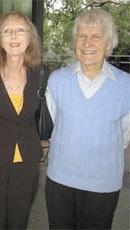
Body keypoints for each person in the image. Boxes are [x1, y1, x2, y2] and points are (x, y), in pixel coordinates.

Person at [45, 9, 130, 229]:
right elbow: (58, 123)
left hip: (103, 183)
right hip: (60, 180)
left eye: (96, 36)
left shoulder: (126, 85)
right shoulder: (57, 81)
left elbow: (124, 134)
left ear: (109, 43)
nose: (87, 43)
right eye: (82, 36)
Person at [0, 11, 43, 229]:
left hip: (27, 162)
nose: (14, 36)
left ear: (30, 37)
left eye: (20, 30)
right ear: (0, 39)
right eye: (7, 31)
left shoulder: (42, 75)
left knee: (19, 220)